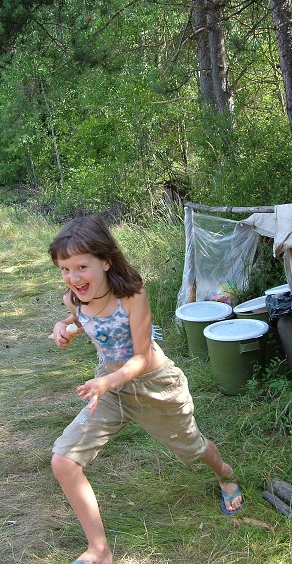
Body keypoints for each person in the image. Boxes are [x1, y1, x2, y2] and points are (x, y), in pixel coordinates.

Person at [49, 215, 244, 564]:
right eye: (65, 269)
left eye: (81, 266)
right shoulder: (74, 299)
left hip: (155, 388)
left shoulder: (132, 294)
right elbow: (83, 317)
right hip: (108, 387)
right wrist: (63, 327)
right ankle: (99, 551)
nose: (73, 278)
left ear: (106, 261)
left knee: (194, 448)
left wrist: (107, 380)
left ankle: (225, 474)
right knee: (63, 461)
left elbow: (141, 356)